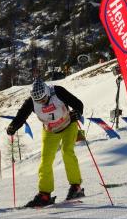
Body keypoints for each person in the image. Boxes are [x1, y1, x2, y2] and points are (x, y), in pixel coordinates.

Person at [7, 79, 86, 207]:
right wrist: (13, 126)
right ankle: (45, 194)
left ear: (47, 92)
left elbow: (78, 104)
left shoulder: (58, 91)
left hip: (68, 125)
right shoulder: (32, 102)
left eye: (43, 99)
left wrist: (77, 112)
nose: (41, 102)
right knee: (45, 160)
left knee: (67, 152)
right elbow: (22, 115)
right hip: (50, 131)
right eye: (38, 101)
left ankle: (76, 187)